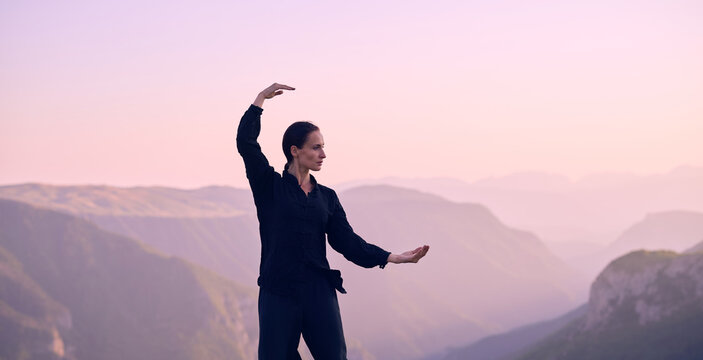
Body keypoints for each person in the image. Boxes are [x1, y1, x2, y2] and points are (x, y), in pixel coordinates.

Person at [236, 83, 430, 360]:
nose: (323, 155)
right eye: (316, 148)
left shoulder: (327, 197)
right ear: (295, 150)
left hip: (318, 291)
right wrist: (258, 103)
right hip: (278, 291)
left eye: (323, 148)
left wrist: (393, 257)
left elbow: (347, 242)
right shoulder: (269, 187)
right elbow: (247, 144)